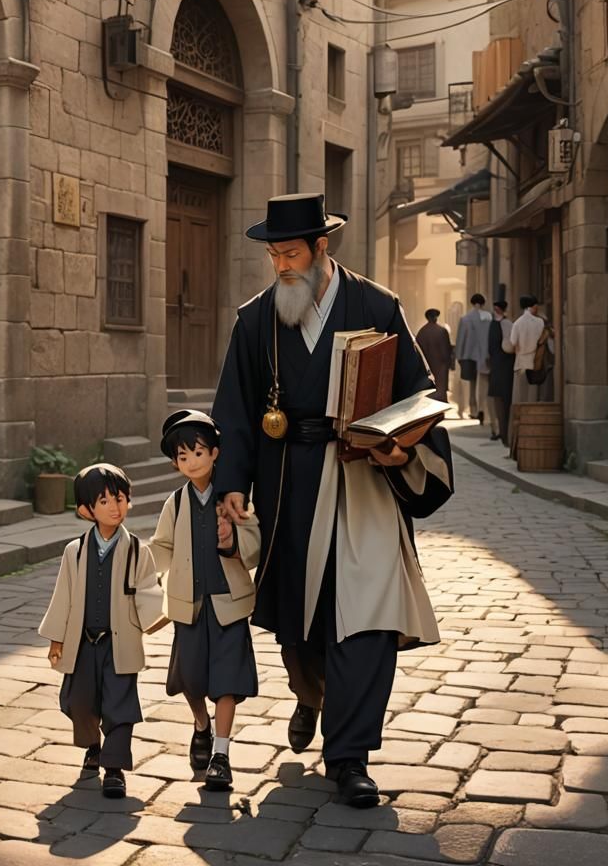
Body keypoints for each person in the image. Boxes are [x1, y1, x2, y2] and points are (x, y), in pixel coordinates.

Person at [212, 193, 453, 809]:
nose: (280, 266)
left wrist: (399, 450)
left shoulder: (376, 306)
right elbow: (235, 412)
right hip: (290, 481)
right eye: (272, 255)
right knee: (299, 625)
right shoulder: (255, 319)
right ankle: (311, 694)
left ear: (323, 249)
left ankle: (350, 758)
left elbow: (419, 395)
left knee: (366, 621)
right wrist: (233, 484)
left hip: (366, 485)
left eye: (290, 253)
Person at [148, 410, 260, 791]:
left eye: (198, 452)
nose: (191, 462)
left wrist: (231, 541)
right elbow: (160, 547)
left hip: (228, 604)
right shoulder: (175, 504)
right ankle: (201, 724)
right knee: (192, 679)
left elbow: (255, 545)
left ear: (214, 453)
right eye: (182, 456)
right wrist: (137, 567)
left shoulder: (232, 497)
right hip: (188, 607)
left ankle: (222, 755)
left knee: (226, 680)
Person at [39, 463, 162, 799]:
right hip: (83, 643)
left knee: (120, 705)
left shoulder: (138, 549)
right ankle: (93, 745)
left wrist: (161, 614)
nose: (114, 507)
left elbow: (150, 591)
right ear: (86, 510)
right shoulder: (75, 552)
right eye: (104, 501)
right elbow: (63, 597)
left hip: (119, 643)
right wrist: (56, 639)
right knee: (79, 702)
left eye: (120, 498)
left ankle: (114, 768)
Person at [504, 295, 549, 404]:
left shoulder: (517, 323)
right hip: (536, 361)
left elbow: (513, 342)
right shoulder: (540, 322)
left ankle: (521, 419)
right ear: (532, 307)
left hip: (521, 362)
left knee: (520, 396)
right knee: (532, 396)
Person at [454, 294, 492, 423]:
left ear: (472, 303)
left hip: (469, 355)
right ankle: (483, 410)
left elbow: (460, 339)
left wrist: (458, 356)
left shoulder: (465, 319)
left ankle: (473, 409)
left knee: (471, 384)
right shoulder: (488, 318)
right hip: (485, 355)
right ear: (482, 303)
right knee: (484, 383)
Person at [487, 300, 515, 445]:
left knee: (504, 401)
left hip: (503, 366)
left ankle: (505, 434)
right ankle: (502, 433)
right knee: (500, 400)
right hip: (498, 366)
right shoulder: (497, 324)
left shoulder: (506, 324)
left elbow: (509, 346)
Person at [415, 309, 454, 402]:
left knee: (430, 392)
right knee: (441, 391)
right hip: (441, 366)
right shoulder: (442, 331)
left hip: (427, 366)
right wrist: (449, 364)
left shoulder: (421, 332)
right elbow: (446, 351)